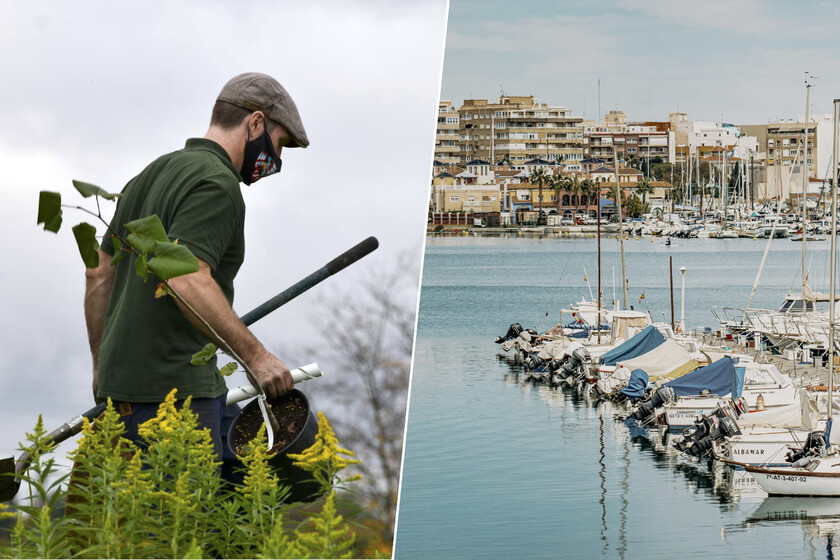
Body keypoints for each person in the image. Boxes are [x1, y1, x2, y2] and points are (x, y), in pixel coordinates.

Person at [83, 72, 309, 464]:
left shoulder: (149, 176)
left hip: (123, 395)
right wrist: (257, 359)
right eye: (280, 144)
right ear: (255, 123)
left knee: (238, 493)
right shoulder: (217, 183)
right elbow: (187, 278)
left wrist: (104, 367)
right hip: (178, 394)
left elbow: (99, 274)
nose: (278, 160)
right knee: (180, 521)